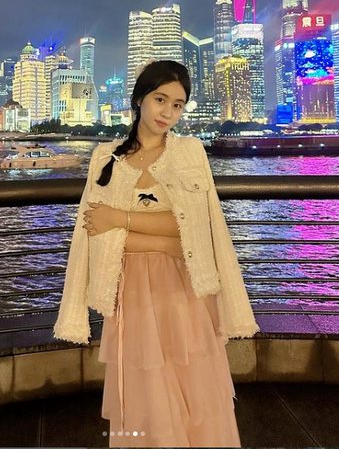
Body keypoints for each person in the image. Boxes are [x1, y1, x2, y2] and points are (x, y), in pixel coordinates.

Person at [53, 59, 259, 448]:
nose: (168, 112)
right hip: (129, 291)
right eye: (160, 99)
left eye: (177, 105)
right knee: (146, 393)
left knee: (195, 388)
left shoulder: (190, 151)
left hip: (184, 289)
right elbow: (94, 229)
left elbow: (195, 227)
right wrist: (162, 238)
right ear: (139, 99)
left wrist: (121, 220)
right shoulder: (105, 157)